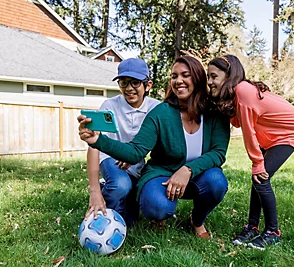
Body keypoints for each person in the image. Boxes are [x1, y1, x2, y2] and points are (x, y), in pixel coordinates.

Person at [78, 55, 230, 238]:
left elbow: (218, 153)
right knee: (155, 205)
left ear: (198, 78)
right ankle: (155, 213)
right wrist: (98, 140)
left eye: (185, 75)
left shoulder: (215, 113)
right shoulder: (161, 112)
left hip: (197, 176)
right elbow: (136, 151)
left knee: (216, 181)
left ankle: (197, 221)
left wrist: (188, 169)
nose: (178, 81)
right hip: (162, 174)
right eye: (174, 76)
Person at [207, 54, 294, 250]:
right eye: (208, 77)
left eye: (213, 76)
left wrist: (257, 162)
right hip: (271, 134)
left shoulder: (243, 90)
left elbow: (248, 130)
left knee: (261, 177)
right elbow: (237, 120)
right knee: (257, 179)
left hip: (289, 131)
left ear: (228, 76)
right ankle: (252, 226)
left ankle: (272, 231)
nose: (209, 82)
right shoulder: (235, 94)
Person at [84, 58, 160, 227]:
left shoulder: (156, 108)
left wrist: (131, 155)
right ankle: (103, 214)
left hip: (136, 164)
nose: (129, 89)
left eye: (135, 83)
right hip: (110, 159)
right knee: (121, 184)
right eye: (123, 83)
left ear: (148, 85)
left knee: (130, 220)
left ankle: (111, 190)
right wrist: (94, 190)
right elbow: (94, 145)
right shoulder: (109, 106)